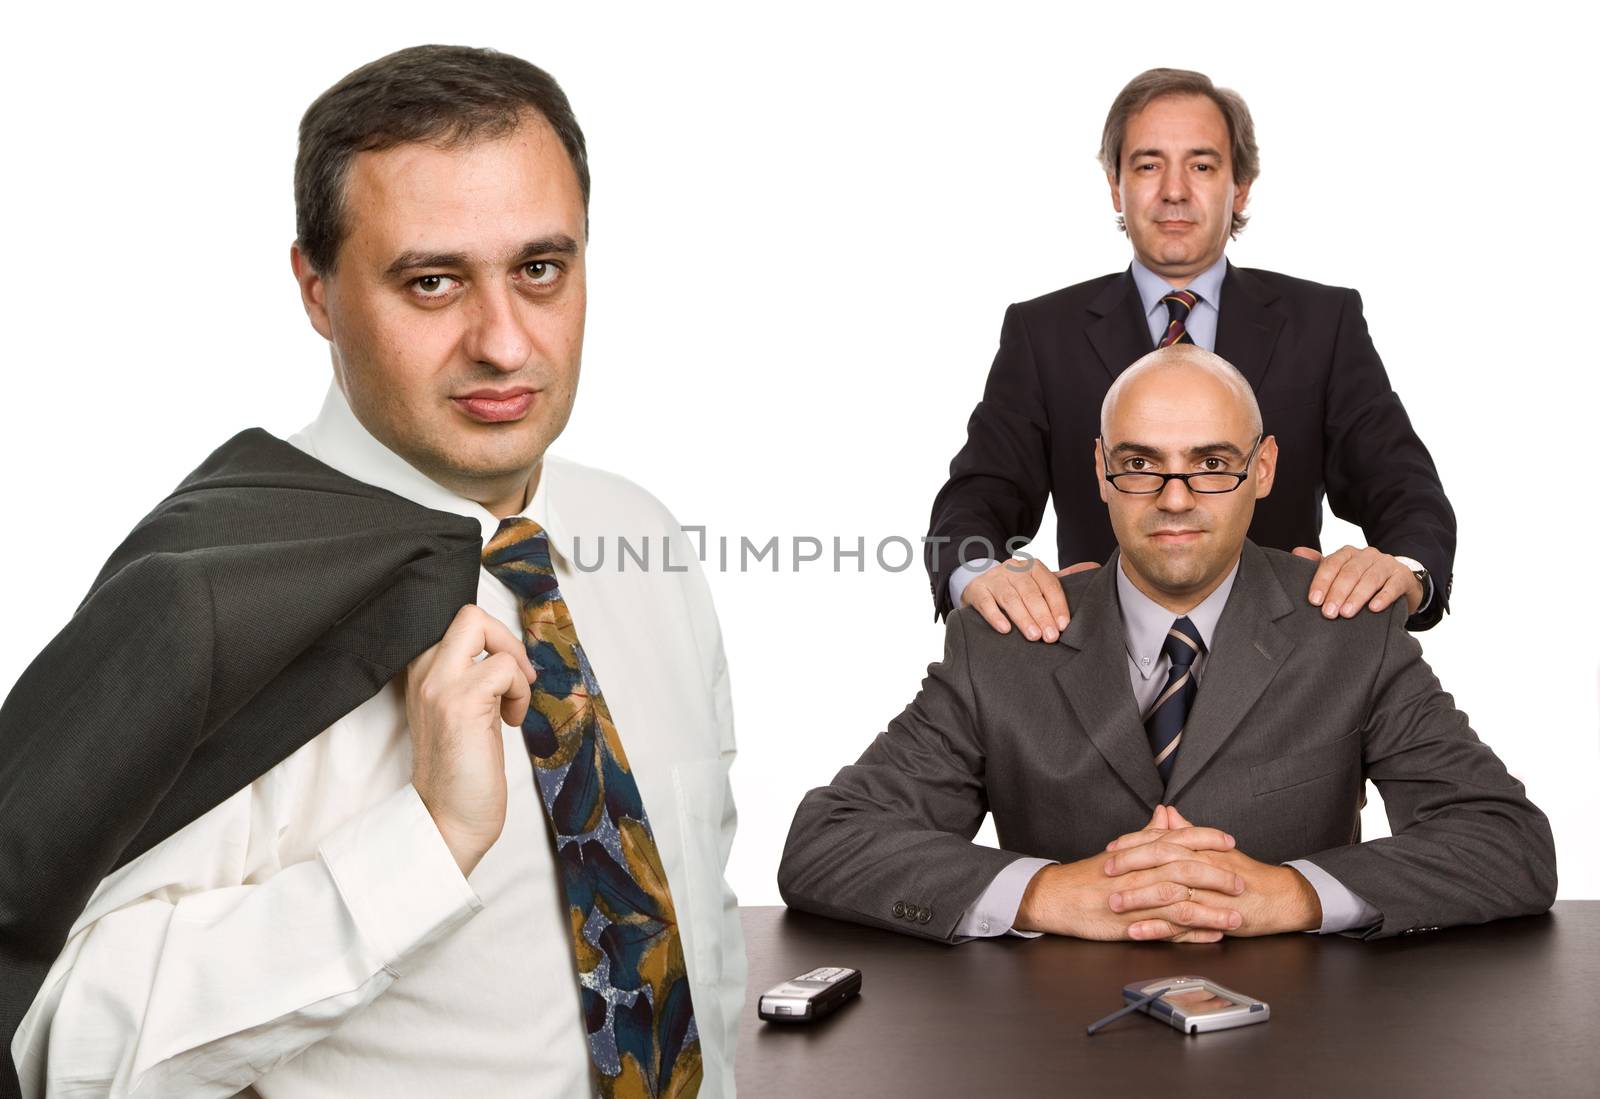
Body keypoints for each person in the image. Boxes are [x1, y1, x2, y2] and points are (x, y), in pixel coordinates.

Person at [3, 45, 743, 1098]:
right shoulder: (208, 600)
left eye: (541, 269)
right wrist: (424, 847)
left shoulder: (646, 539)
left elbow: (701, 937)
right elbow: (55, 1044)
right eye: (431, 281)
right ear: (315, 287)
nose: (501, 341)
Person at [781, 345, 1554, 945]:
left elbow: (1509, 843)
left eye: (1212, 464)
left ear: (1264, 470)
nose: (1176, 496)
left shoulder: (1347, 632)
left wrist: (1294, 893)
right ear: (1101, 473)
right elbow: (827, 843)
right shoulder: (1005, 642)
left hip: (1303, 1052)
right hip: (1046, 1049)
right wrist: (1047, 893)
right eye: (1142, 463)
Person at [925, 67, 1456, 645]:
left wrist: (1404, 572)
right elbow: (979, 495)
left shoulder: (1322, 324)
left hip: (1288, 666)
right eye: (1148, 165)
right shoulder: (1042, 332)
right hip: (1095, 667)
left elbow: (1402, 486)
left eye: (1202, 166)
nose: (1174, 190)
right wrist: (981, 577)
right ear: (1114, 185)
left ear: (1241, 185)